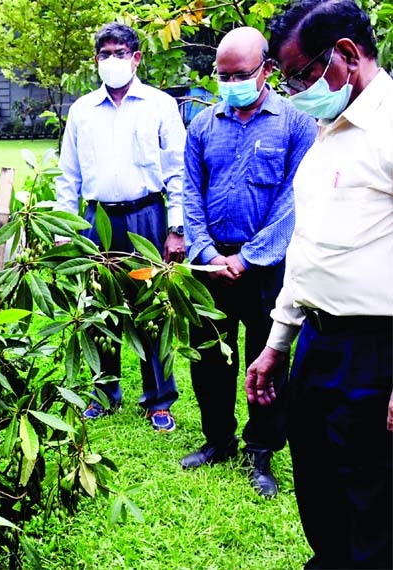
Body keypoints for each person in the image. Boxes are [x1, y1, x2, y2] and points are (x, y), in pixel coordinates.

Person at [246, 0, 392, 566]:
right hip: (318, 343)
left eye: (301, 75)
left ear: (347, 56)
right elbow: (307, 248)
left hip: (376, 350)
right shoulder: (328, 128)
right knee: (318, 482)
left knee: (373, 497)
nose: (294, 90)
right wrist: (277, 342)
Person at [180, 27, 317, 497]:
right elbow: (189, 196)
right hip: (211, 262)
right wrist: (206, 253)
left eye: (239, 74)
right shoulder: (202, 125)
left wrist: (250, 257)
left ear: (267, 70)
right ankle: (218, 439)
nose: (229, 82)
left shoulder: (296, 124)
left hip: (267, 267)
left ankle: (262, 450)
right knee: (209, 358)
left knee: (268, 358)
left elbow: (293, 199)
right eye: (222, 74)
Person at [55, 22, 186, 433]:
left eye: (120, 53)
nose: (113, 60)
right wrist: (64, 227)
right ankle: (103, 392)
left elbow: (177, 170)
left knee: (152, 307)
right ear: (96, 60)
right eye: (105, 54)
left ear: (136, 58)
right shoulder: (81, 111)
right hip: (97, 220)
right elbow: (68, 175)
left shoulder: (160, 105)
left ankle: (159, 399)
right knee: (101, 306)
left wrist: (176, 227)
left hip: (147, 215)